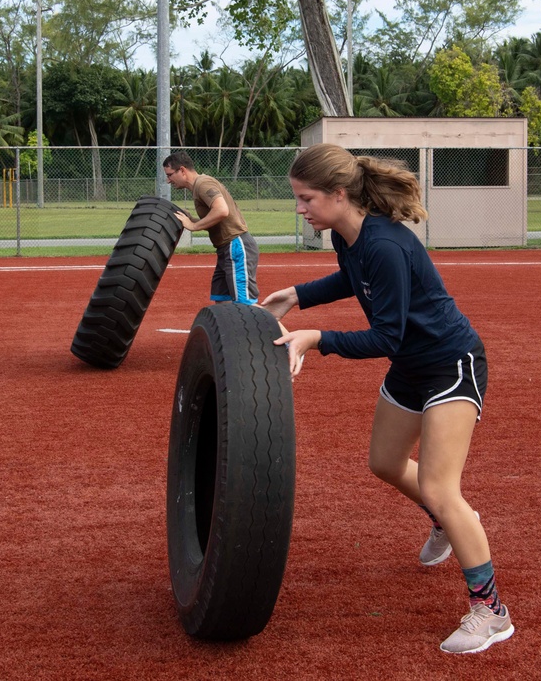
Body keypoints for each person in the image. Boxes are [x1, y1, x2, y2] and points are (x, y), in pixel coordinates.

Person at [261, 143, 513, 655]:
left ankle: (491, 612)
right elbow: (355, 280)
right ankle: (449, 519)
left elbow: (387, 337)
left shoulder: (384, 243)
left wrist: (316, 338)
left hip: (449, 362)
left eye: (306, 198)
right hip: (413, 366)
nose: (300, 208)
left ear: (338, 194)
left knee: (442, 487)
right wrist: (299, 294)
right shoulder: (348, 239)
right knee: (385, 462)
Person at [163, 151, 260, 305]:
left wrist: (194, 225)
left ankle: (275, 328)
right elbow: (214, 218)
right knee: (222, 302)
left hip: (236, 246)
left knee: (245, 304)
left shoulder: (203, 184)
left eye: (169, 175)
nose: (168, 180)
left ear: (182, 170)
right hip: (225, 249)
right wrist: (190, 219)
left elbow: (221, 210)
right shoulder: (197, 188)